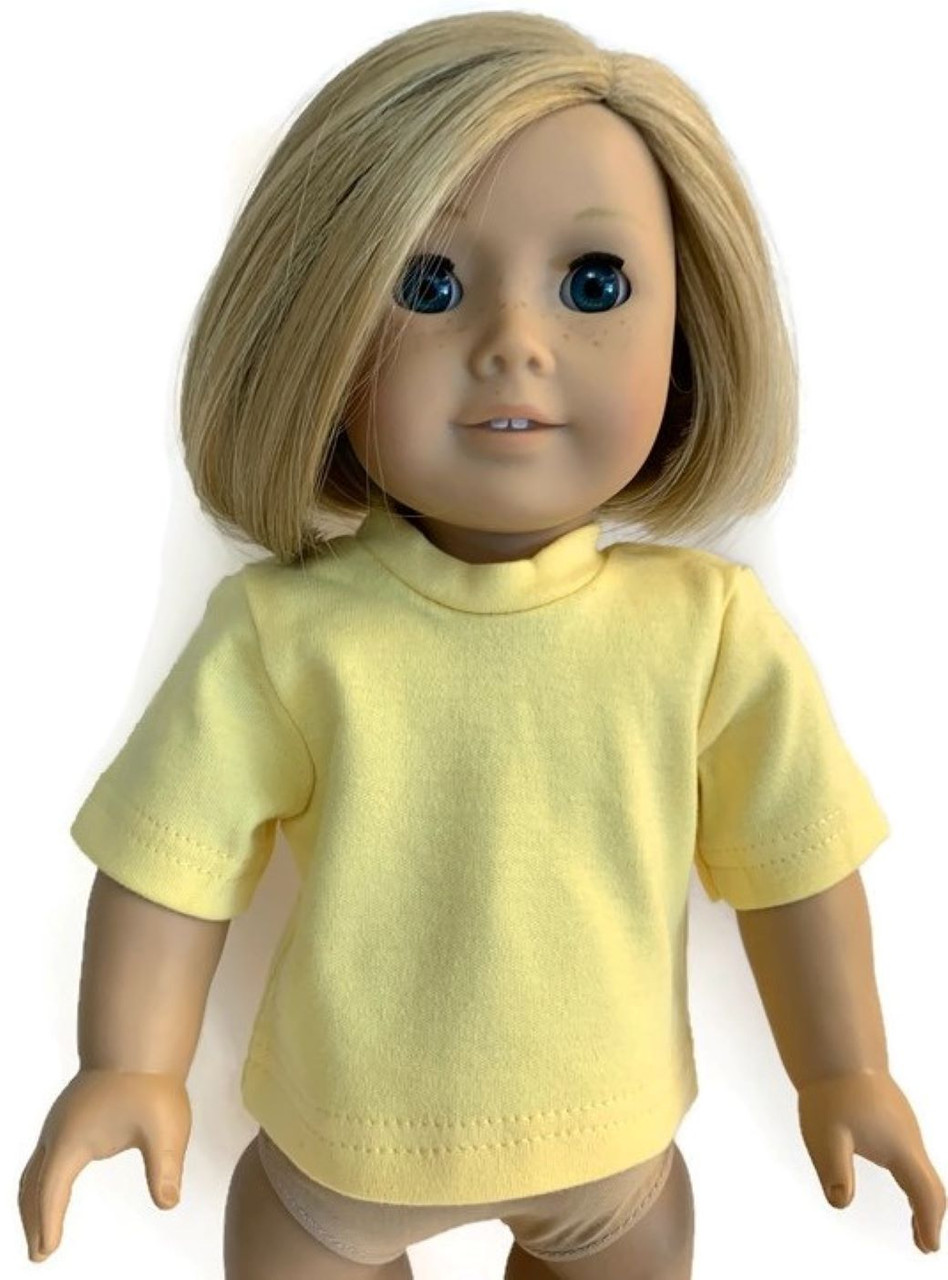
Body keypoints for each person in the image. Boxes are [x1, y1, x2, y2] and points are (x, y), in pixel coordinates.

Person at [18, 10, 945, 1279]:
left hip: (612, 1150)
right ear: (325, 326)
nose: (515, 341)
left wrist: (847, 1067)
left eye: (594, 284)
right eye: (431, 285)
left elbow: (800, 864)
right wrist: (126, 1063)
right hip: (340, 1155)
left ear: (690, 330)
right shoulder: (288, 634)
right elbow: (171, 860)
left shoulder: (705, 631)